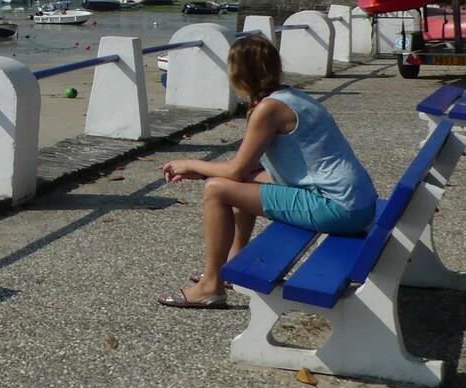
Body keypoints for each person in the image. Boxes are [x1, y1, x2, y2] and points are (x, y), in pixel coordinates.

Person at [156, 34, 376, 310]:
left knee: (216, 189)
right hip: (357, 204)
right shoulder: (292, 97)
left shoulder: (268, 109)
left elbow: (236, 170)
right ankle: (233, 263)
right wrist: (208, 171)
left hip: (339, 208)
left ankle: (210, 286)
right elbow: (247, 172)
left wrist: (191, 165)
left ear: (239, 75)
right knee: (237, 184)